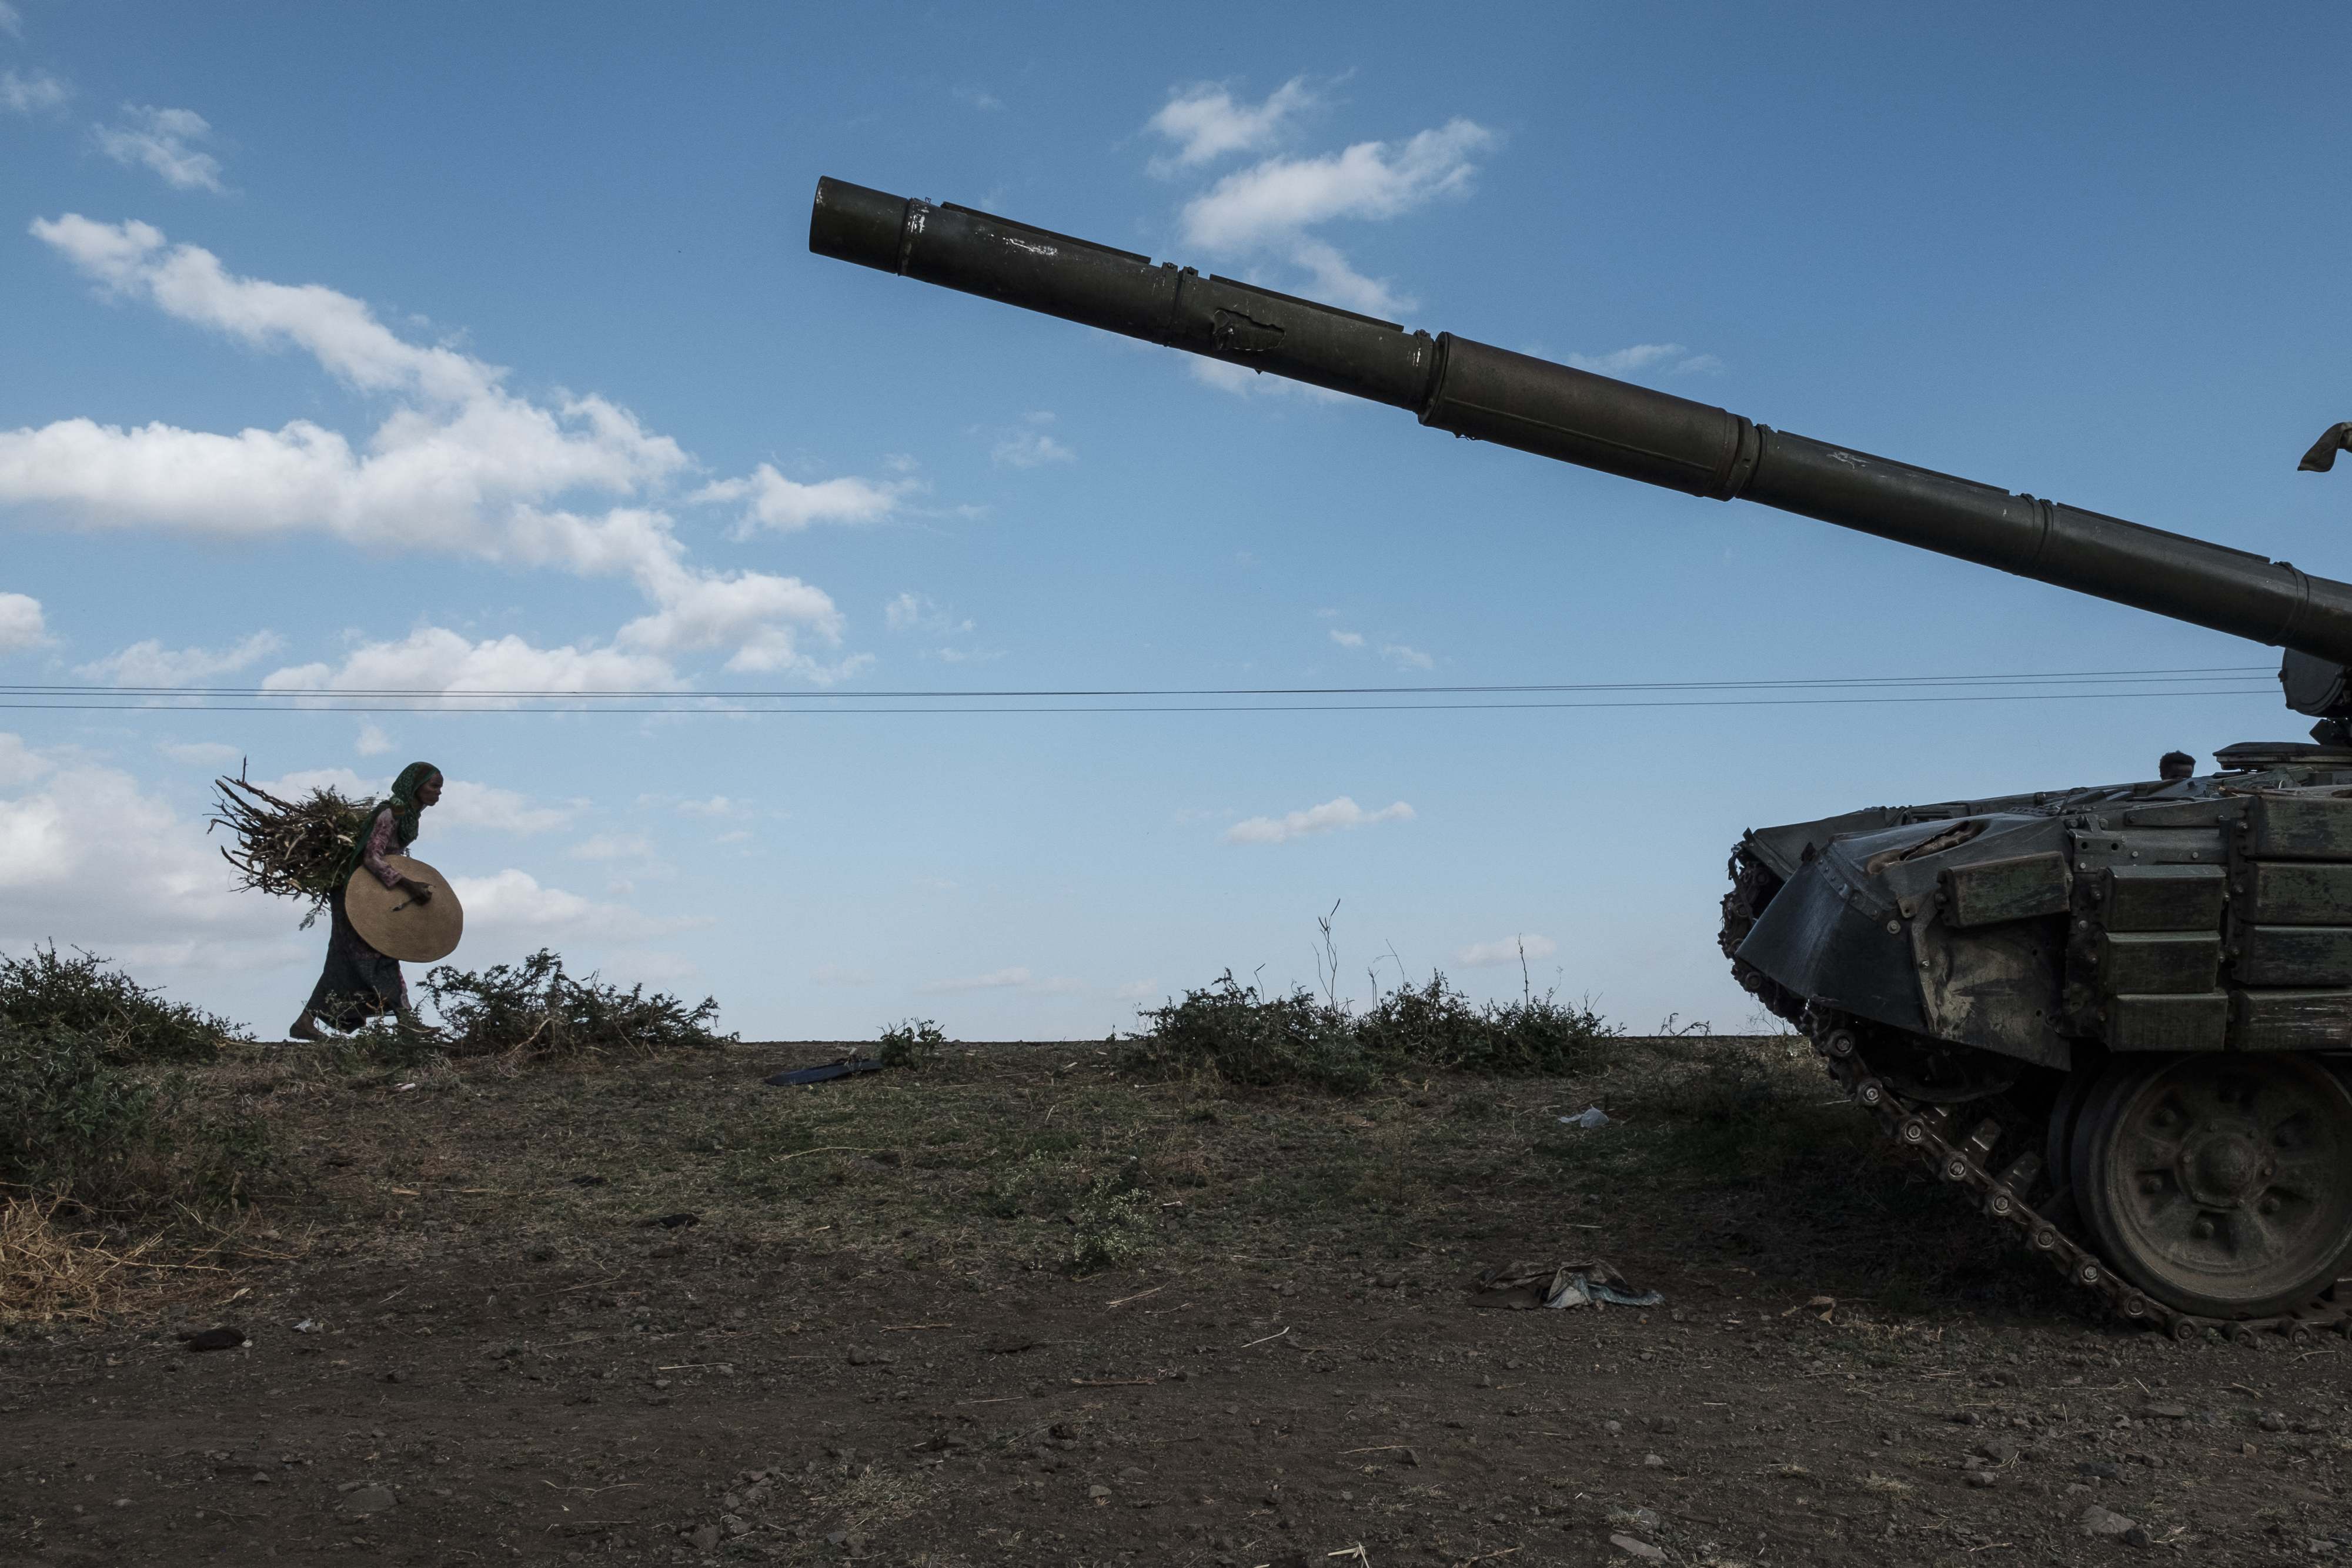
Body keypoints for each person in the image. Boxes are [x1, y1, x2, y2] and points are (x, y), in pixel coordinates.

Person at [289, 761, 442, 1040]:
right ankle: (407, 1023)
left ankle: (305, 1022)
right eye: (434, 786)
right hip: (354, 892)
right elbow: (371, 857)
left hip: (374, 891)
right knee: (377, 955)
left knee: (351, 959)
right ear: (416, 787)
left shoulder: (408, 816)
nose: (439, 793)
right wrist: (408, 885)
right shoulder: (389, 814)